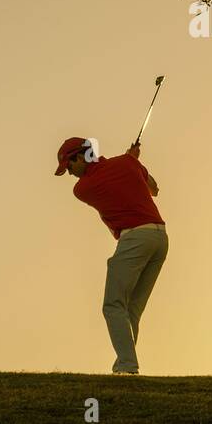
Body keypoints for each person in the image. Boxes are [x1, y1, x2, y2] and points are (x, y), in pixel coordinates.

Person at [54, 136, 168, 375]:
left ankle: (127, 366)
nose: (71, 174)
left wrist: (129, 159)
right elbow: (154, 189)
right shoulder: (127, 164)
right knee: (131, 309)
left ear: (79, 156)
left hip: (134, 239)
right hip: (159, 239)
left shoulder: (82, 189)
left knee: (113, 305)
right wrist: (132, 161)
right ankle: (125, 367)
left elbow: (107, 177)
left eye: (70, 166)